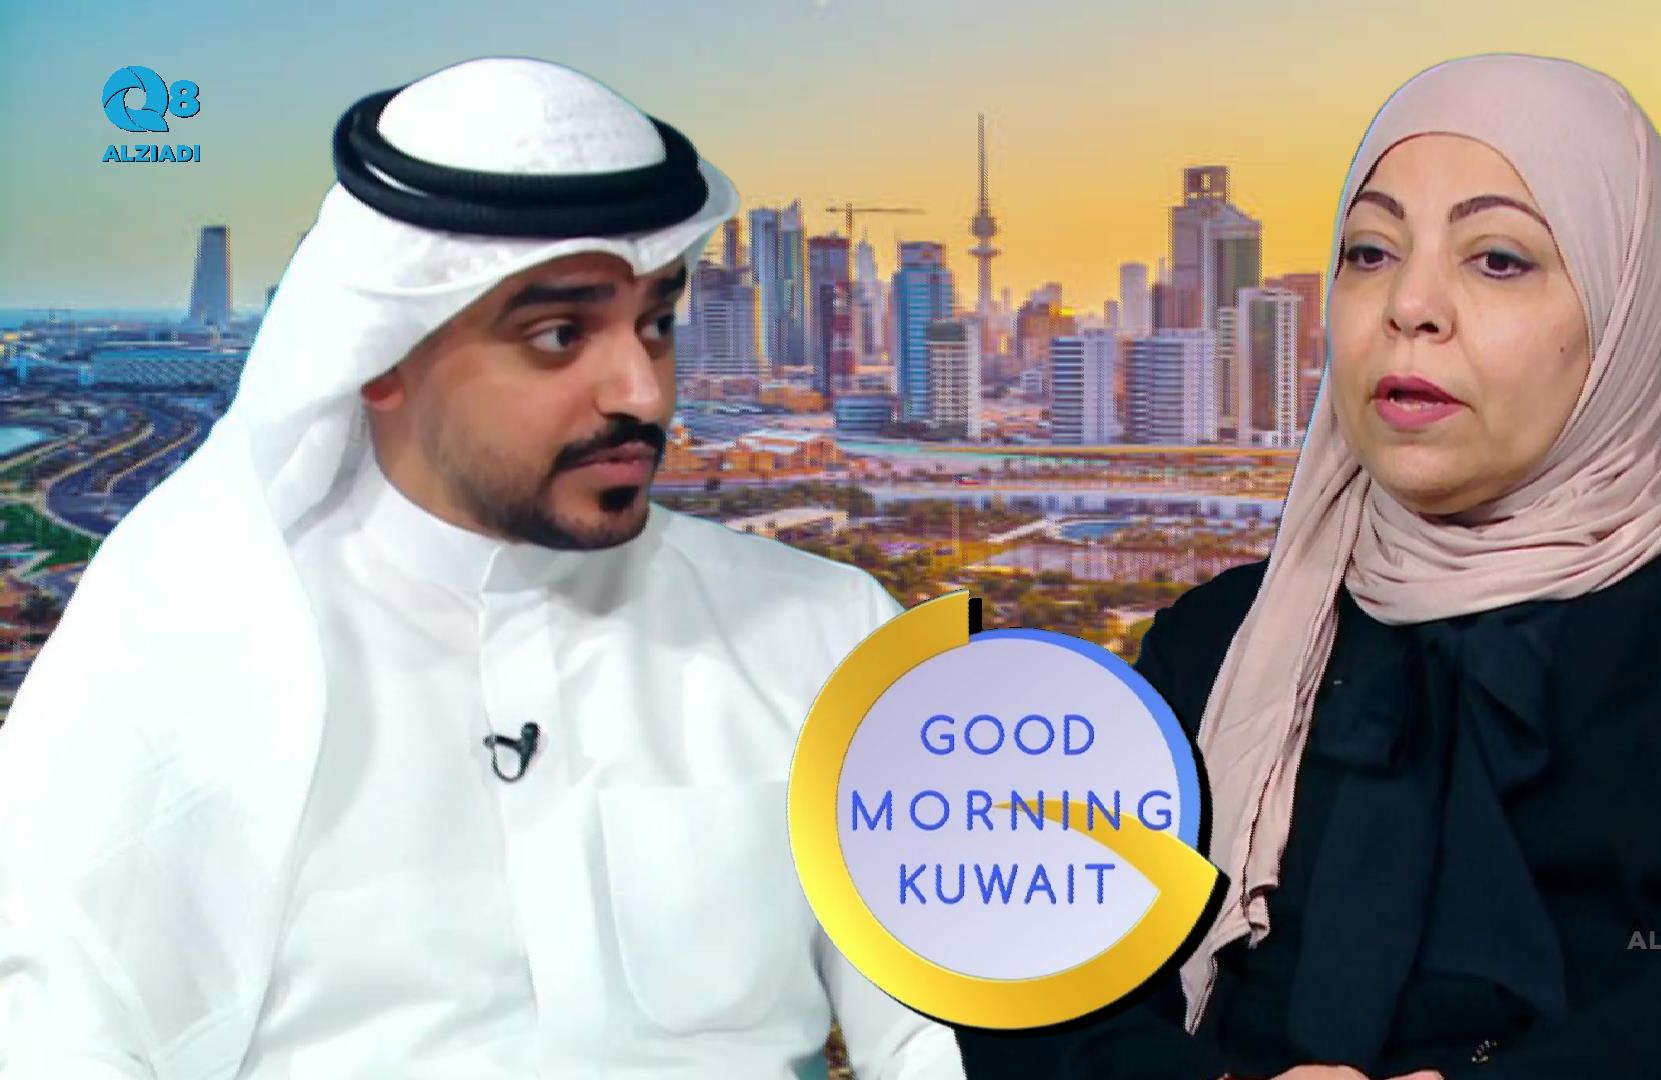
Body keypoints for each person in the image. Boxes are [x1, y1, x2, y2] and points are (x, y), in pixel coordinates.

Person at [956, 53, 1661, 1079]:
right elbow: (1039, 978)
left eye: (1498, 259)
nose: (1410, 305)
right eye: (1369, 252)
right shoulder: (1222, 639)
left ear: (1622, 310)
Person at [0, 57, 963, 1079]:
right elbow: (59, 1036)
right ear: (381, 357)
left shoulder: (831, 632)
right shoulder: (180, 650)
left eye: (656, 324)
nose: (642, 392)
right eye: (558, 335)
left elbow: (945, 1028)